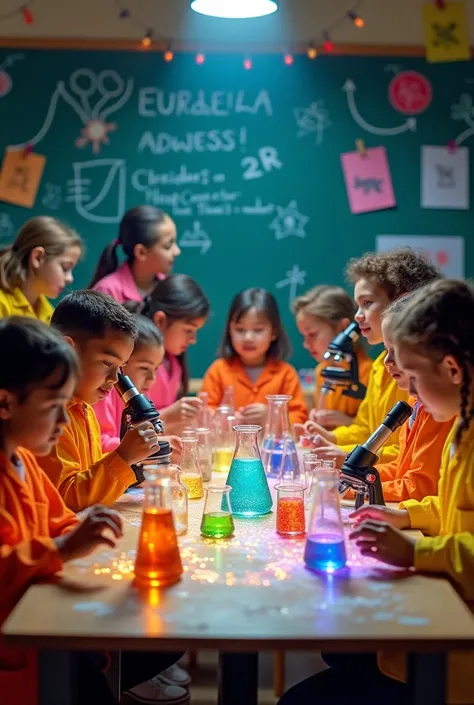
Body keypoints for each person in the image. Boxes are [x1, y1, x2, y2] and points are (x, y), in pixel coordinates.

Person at [279, 279, 474, 705]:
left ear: (452, 369)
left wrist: (416, 552)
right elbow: (453, 505)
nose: (408, 392)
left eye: (413, 379)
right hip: (437, 626)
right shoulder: (463, 427)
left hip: (456, 661)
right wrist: (407, 517)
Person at [0, 318, 186, 705]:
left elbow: (61, 518)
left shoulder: (25, 461)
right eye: (53, 407)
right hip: (18, 647)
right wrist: (63, 547)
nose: (64, 419)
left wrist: (98, 534)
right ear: (5, 403)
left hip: (44, 619)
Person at [304, 249, 441, 466]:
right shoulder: (381, 364)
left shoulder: (413, 373)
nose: (357, 316)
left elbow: (404, 453)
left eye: (367, 303)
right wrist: (334, 440)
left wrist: (348, 457)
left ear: (401, 302)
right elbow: (367, 429)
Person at [37, 290, 161, 512]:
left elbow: (88, 473)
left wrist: (134, 463)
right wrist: (123, 457)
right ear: (68, 349)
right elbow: (66, 499)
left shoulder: (84, 408)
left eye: (120, 368)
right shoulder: (47, 414)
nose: (115, 379)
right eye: (107, 363)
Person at [376, 295, 454, 501]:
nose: (387, 361)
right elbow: (403, 468)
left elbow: (421, 488)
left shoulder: (438, 407)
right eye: (386, 350)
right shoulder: (417, 401)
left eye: (398, 353)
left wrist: (362, 488)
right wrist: (358, 480)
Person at [201, 288, 307, 428]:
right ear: (229, 331)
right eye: (240, 329)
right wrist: (225, 418)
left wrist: (272, 416)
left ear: (273, 332)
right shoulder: (218, 370)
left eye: (258, 330)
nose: (248, 338)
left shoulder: (286, 374)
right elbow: (204, 412)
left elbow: (299, 418)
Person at [129, 274, 210, 435]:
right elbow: (124, 430)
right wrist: (167, 416)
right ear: (160, 320)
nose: (193, 339)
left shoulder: (175, 363)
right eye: (189, 330)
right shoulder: (133, 363)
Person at [95, 312, 182, 459]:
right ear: (122, 363)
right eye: (144, 368)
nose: (152, 378)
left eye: (156, 369)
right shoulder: (102, 394)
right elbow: (100, 444)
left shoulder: (138, 393)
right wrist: (153, 443)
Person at [293, 284, 372, 429]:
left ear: (343, 328)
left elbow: (379, 431)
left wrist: (349, 422)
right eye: (304, 336)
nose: (306, 344)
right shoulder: (321, 371)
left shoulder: (370, 373)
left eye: (312, 335)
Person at [0, 215, 82, 322]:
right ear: (38, 258)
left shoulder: (49, 313)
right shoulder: (3, 303)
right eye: (65, 268)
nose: (70, 278)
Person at [90, 206, 180, 301]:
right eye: (168, 246)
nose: (177, 251)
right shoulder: (107, 292)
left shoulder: (168, 287)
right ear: (141, 252)